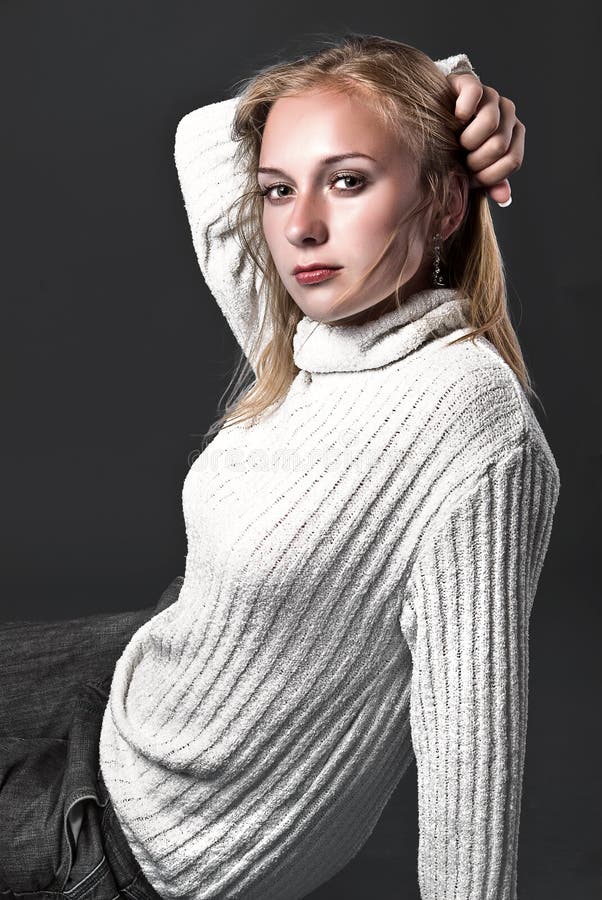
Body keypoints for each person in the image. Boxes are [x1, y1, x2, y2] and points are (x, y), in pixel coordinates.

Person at [0, 35, 555, 900]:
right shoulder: (309, 335)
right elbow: (202, 140)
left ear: (445, 205)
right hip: (131, 675)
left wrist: (432, 122)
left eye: (348, 180)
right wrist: (447, 88)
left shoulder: (471, 423)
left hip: (136, 838)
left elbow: (471, 752)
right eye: (277, 190)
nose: (299, 228)